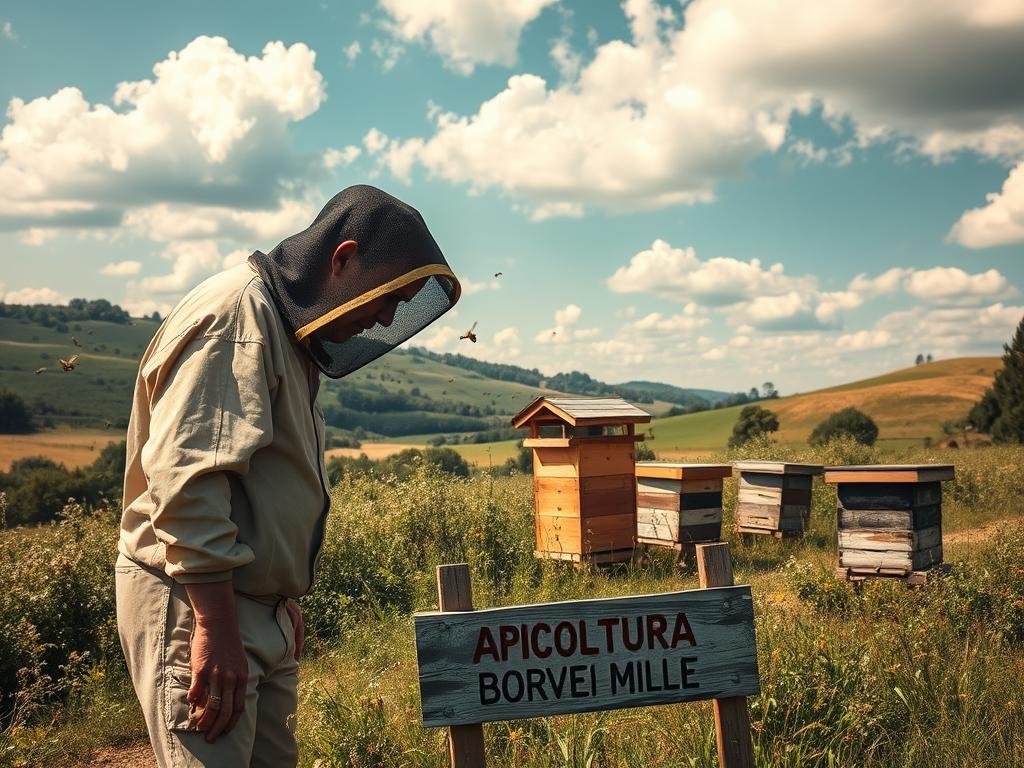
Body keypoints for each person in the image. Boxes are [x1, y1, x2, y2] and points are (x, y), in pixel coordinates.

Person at [115, 185, 461, 767]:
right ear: (343, 258)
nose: (387, 316)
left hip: (250, 604)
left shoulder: (284, 330)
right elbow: (185, 482)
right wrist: (218, 618)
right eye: (389, 296)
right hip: (199, 601)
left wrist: (276, 591)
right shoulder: (237, 319)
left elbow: (259, 478)